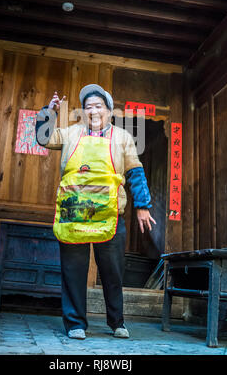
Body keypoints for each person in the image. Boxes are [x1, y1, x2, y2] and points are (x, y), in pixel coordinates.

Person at [36, 84, 156, 340]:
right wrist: (49, 112)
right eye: (88, 106)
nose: (93, 110)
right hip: (74, 214)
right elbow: (44, 138)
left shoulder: (123, 137)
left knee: (113, 271)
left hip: (110, 214)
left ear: (109, 111)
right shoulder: (70, 133)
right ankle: (75, 324)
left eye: (98, 106)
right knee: (73, 271)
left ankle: (117, 322)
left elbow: (135, 172)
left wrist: (142, 206)